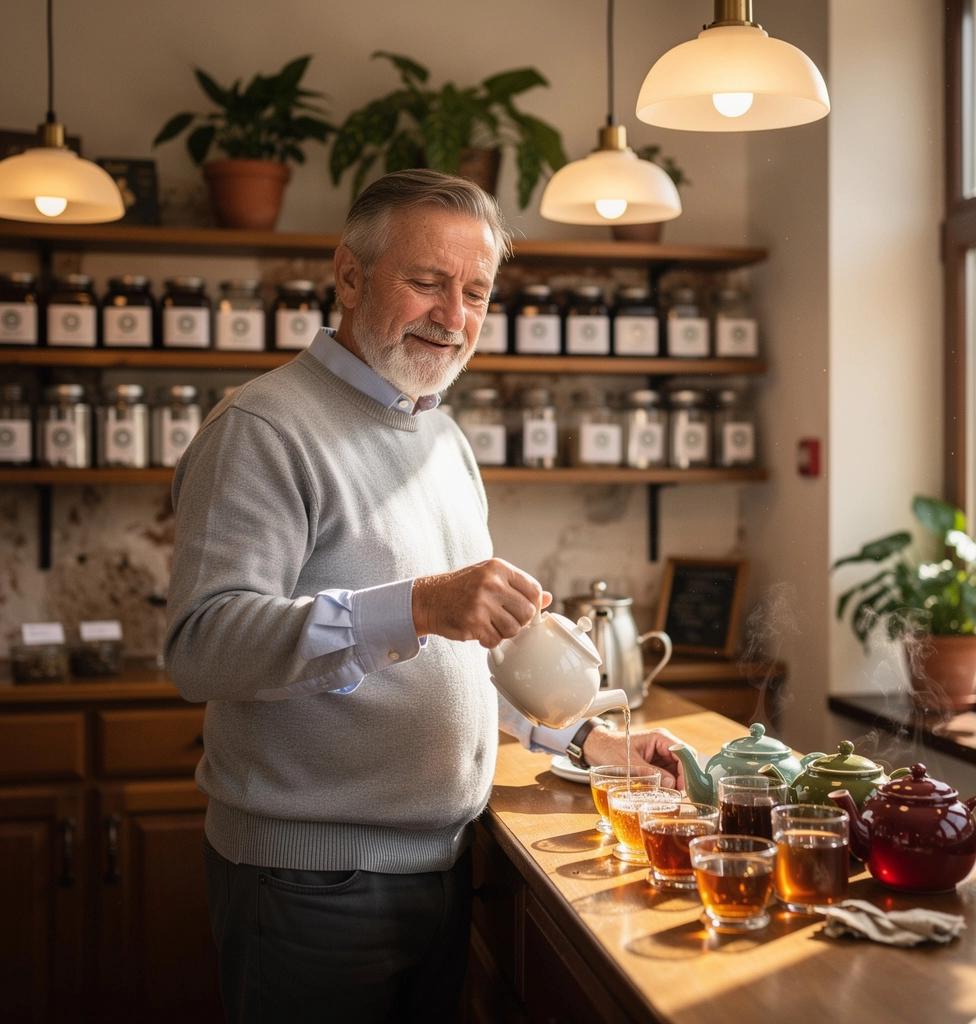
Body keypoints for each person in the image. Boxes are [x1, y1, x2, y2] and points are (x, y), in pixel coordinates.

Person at [165, 168, 688, 1024]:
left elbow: (463, 657)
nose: (454, 315)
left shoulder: (442, 438)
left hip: (440, 867)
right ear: (348, 274)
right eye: (426, 281)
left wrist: (585, 738)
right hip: (309, 885)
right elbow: (201, 647)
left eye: (476, 290)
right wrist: (415, 605)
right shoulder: (262, 429)